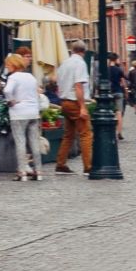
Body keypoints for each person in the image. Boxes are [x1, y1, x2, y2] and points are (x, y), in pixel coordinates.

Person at [1, 51, 44, 181]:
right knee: (34, 142)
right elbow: (37, 93)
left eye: (8, 65)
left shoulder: (13, 77)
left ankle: (22, 172)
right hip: (33, 112)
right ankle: (39, 171)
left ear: (13, 65)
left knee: (20, 142)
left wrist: (11, 100)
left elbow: (7, 90)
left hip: (19, 112)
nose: (7, 67)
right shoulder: (30, 76)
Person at [52, 45, 91, 174]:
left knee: (69, 135)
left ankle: (61, 164)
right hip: (75, 102)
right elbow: (78, 85)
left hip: (64, 101)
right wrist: (83, 107)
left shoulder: (64, 63)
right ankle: (88, 166)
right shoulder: (80, 63)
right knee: (86, 134)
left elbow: (57, 82)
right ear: (83, 52)